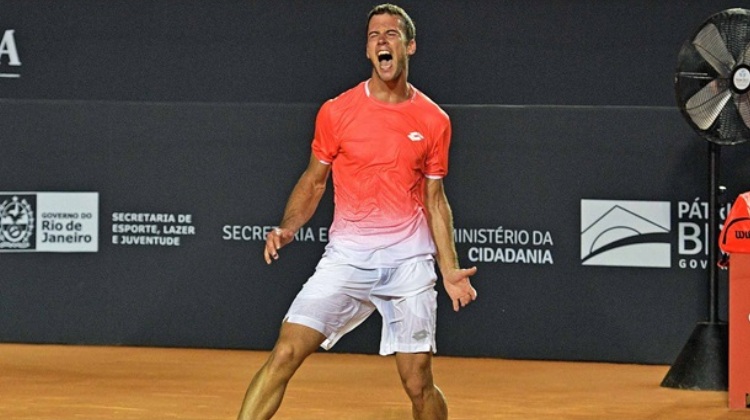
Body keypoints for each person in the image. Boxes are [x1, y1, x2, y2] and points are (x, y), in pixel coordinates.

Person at [237, 4, 477, 419]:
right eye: (373, 36)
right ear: (368, 51)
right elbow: (314, 181)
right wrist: (288, 226)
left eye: (391, 34)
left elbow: (435, 199)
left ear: (410, 46)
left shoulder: (434, 120)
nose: (381, 41)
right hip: (348, 259)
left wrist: (450, 268)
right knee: (286, 350)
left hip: (408, 263)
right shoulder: (337, 111)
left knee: (418, 381)